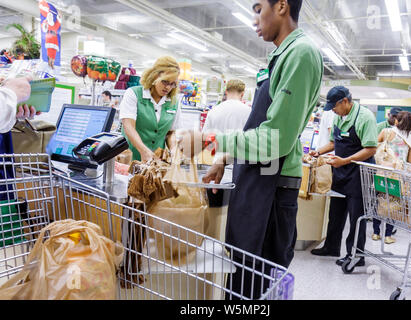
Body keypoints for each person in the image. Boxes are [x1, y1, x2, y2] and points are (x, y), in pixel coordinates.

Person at [178, 0, 323, 299]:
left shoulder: (301, 53)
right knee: (242, 277)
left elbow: (277, 140)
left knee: (255, 285)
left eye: (258, 8)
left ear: (281, 5)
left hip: (272, 189)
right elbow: (261, 127)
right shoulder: (282, 56)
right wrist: (224, 158)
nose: (254, 19)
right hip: (258, 181)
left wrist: (209, 139)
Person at [310, 86, 377, 269]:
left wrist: (346, 160)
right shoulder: (338, 116)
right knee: (336, 212)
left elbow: (371, 148)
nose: (333, 109)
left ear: (345, 101)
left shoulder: (365, 118)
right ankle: (331, 247)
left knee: (356, 216)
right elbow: (333, 142)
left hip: (359, 174)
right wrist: (318, 152)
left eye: (335, 106)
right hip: (340, 172)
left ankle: (356, 254)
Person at [120, 56, 182, 162]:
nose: (168, 87)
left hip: (156, 163)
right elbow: (129, 126)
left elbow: (170, 133)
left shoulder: (174, 102)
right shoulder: (133, 94)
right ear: (154, 77)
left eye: (172, 84)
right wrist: (144, 151)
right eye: (165, 82)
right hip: (129, 159)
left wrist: (174, 150)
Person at [372, 111, 411, 244]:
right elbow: (410, 161)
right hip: (398, 176)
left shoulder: (386, 132)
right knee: (394, 204)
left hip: (382, 172)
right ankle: (388, 235)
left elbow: (373, 148)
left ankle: (376, 232)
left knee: (379, 201)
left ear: (397, 121)